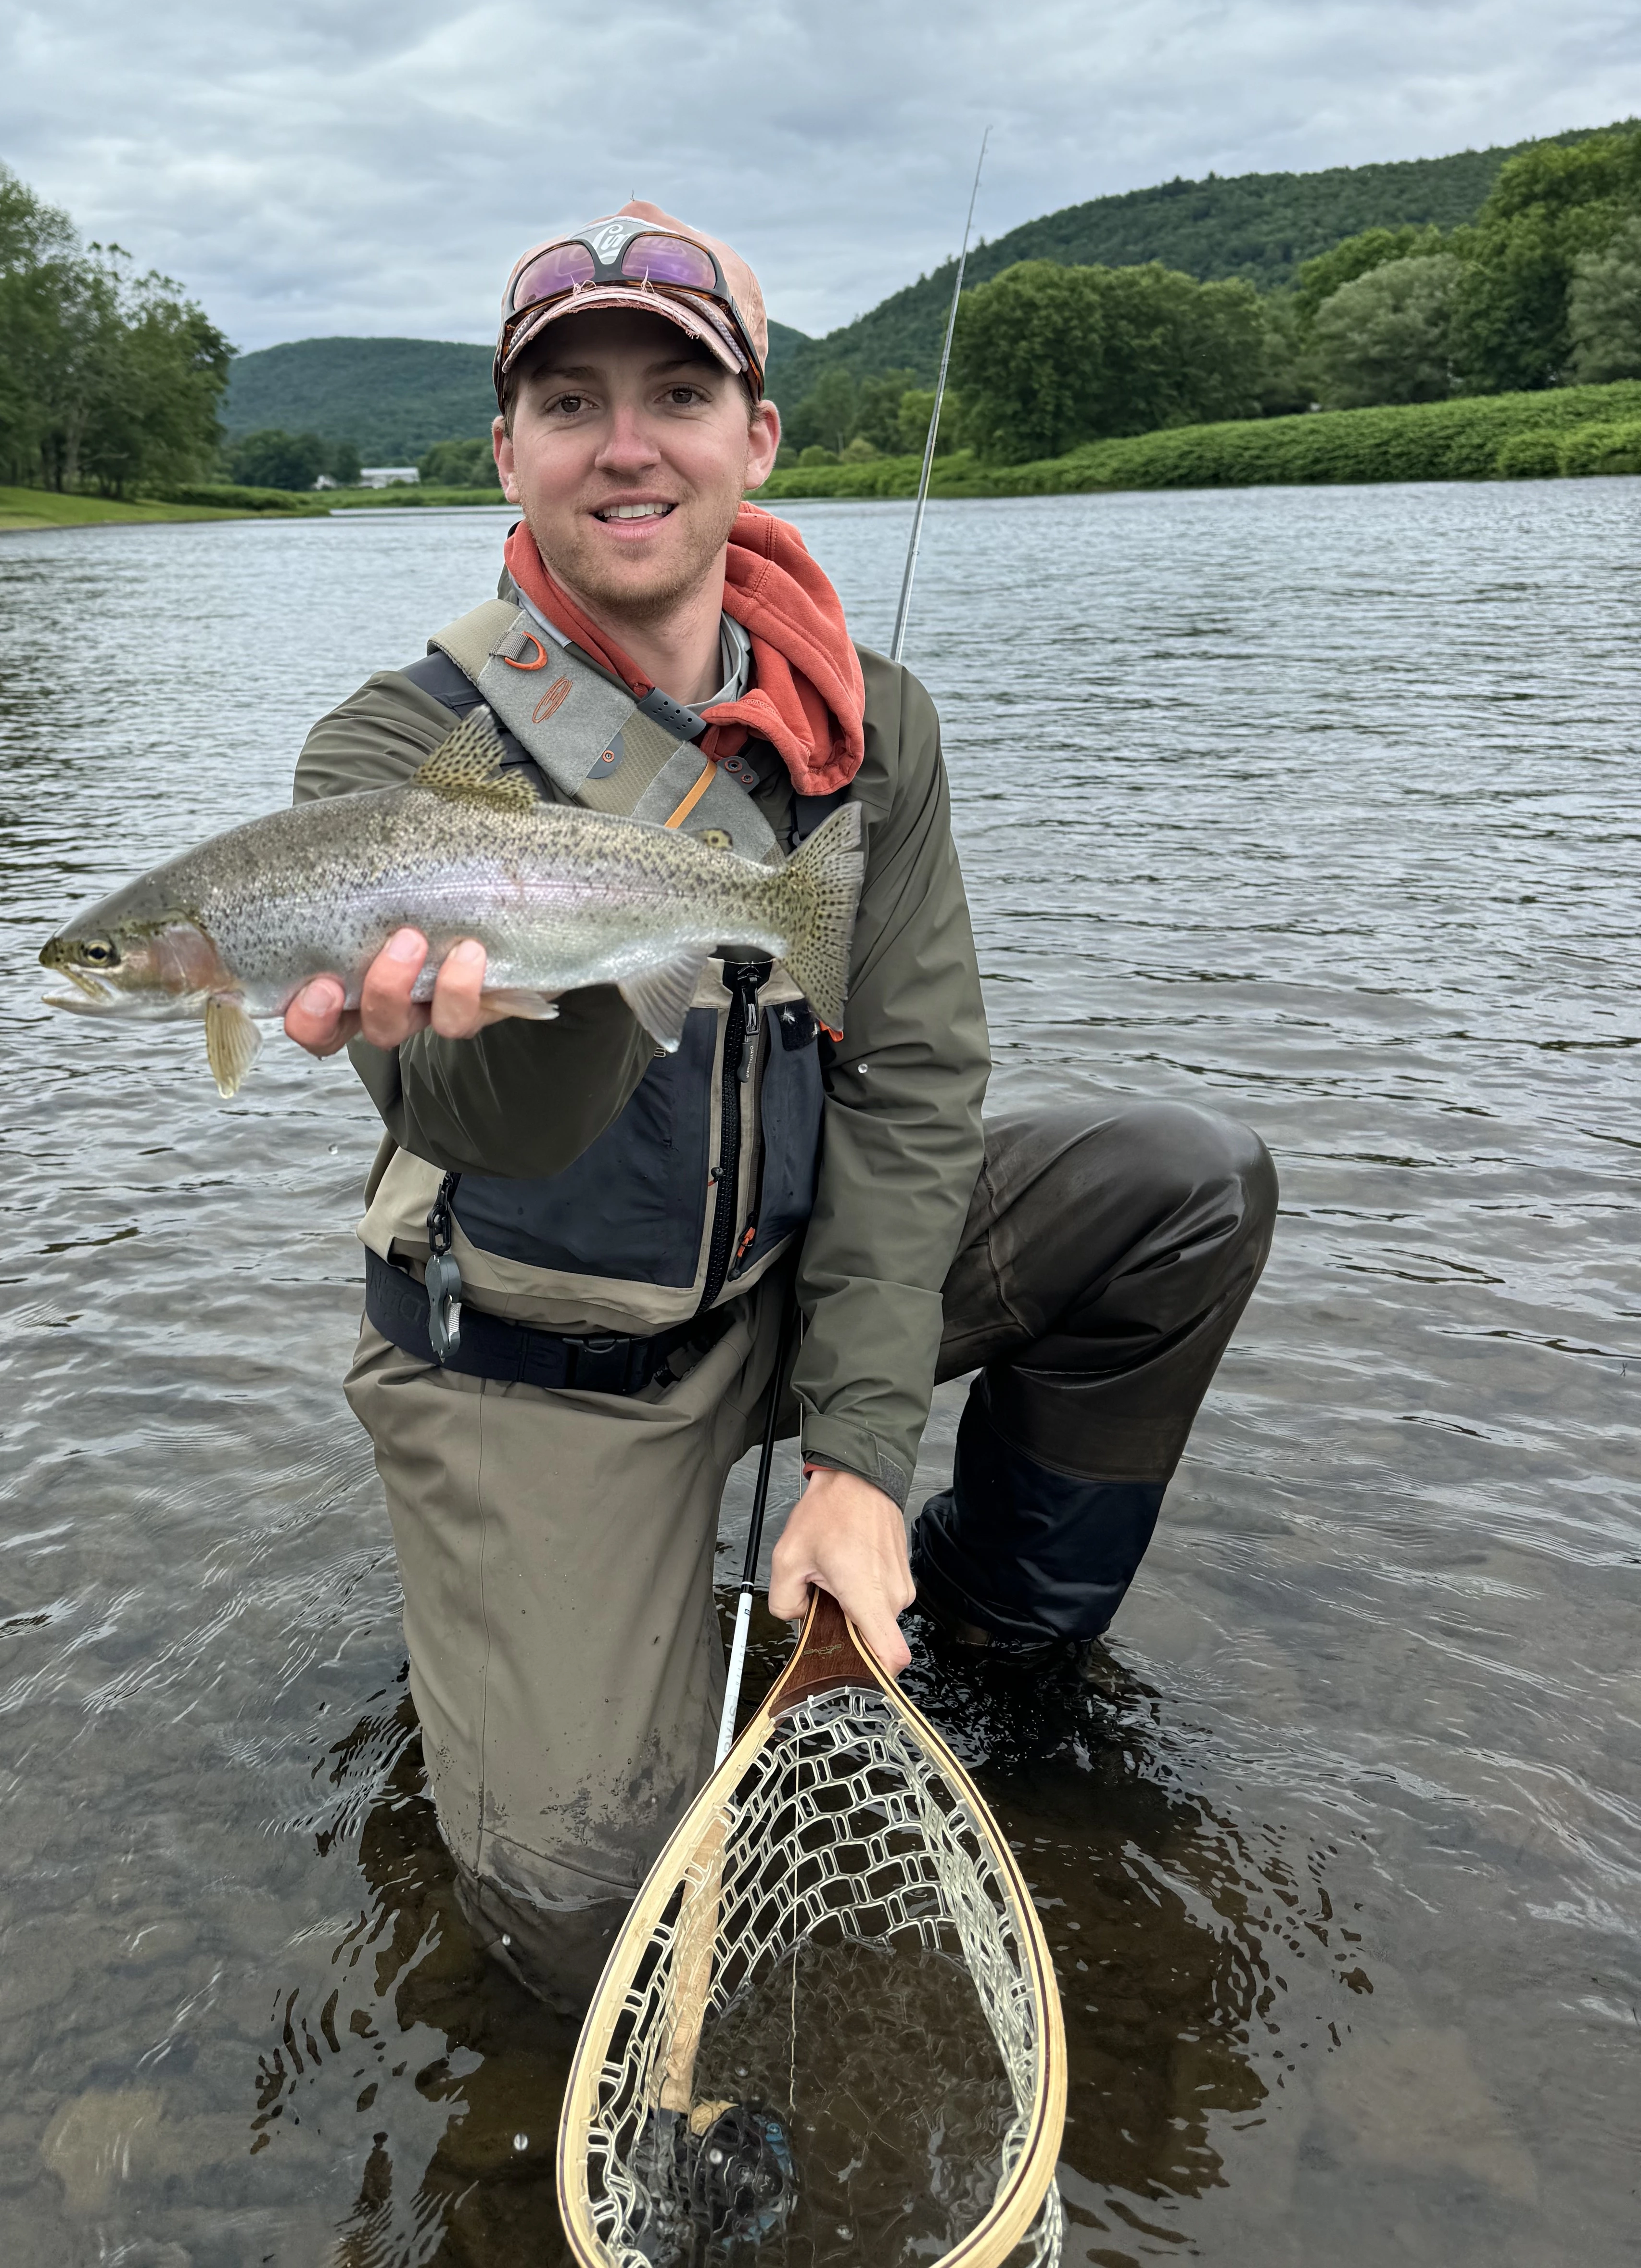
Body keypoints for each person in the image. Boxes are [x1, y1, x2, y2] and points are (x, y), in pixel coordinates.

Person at [286, 203, 1277, 2006]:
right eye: (569, 402)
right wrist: (533, 996)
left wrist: (855, 1459)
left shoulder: (867, 723)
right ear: (506, 454)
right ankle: (583, 1643)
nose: (628, 441)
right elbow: (484, 1133)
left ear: (757, 437)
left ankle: (978, 1650)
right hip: (537, 1358)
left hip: (785, 1279)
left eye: (678, 390)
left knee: (1178, 1186)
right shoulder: (384, 767)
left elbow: (914, 1097)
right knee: (596, 1930)